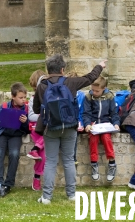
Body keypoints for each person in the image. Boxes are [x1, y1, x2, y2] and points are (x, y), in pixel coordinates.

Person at [33, 54, 106, 205]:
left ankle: (46, 197)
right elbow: (90, 78)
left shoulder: (42, 86)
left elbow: (36, 109)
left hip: (50, 127)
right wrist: (100, 65)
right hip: (70, 126)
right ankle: (71, 194)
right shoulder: (70, 82)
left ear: (48, 69)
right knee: (68, 160)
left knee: (51, 162)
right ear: (62, 69)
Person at [0, 82, 30, 197]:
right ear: (13, 97)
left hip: (16, 135)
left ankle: (8, 184)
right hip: (3, 133)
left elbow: (27, 129)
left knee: (14, 154)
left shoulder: (26, 108)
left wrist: (25, 122)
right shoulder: (4, 106)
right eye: (20, 97)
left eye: (24, 97)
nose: (23, 100)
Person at [82, 76, 120, 182]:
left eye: (97, 91)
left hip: (105, 125)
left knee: (106, 138)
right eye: (93, 90)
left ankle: (112, 164)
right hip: (94, 125)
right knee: (93, 139)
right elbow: (86, 114)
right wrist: (87, 124)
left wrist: (116, 123)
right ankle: (94, 164)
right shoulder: (89, 97)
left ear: (104, 88)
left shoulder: (109, 97)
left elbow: (114, 113)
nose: (94, 92)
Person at [27, 70, 46, 191]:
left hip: (45, 128)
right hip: (36, 128)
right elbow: (31, 116)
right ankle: (36, 148)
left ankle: (35, 149)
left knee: (42, 156)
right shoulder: (32, 99)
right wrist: (43, 115)